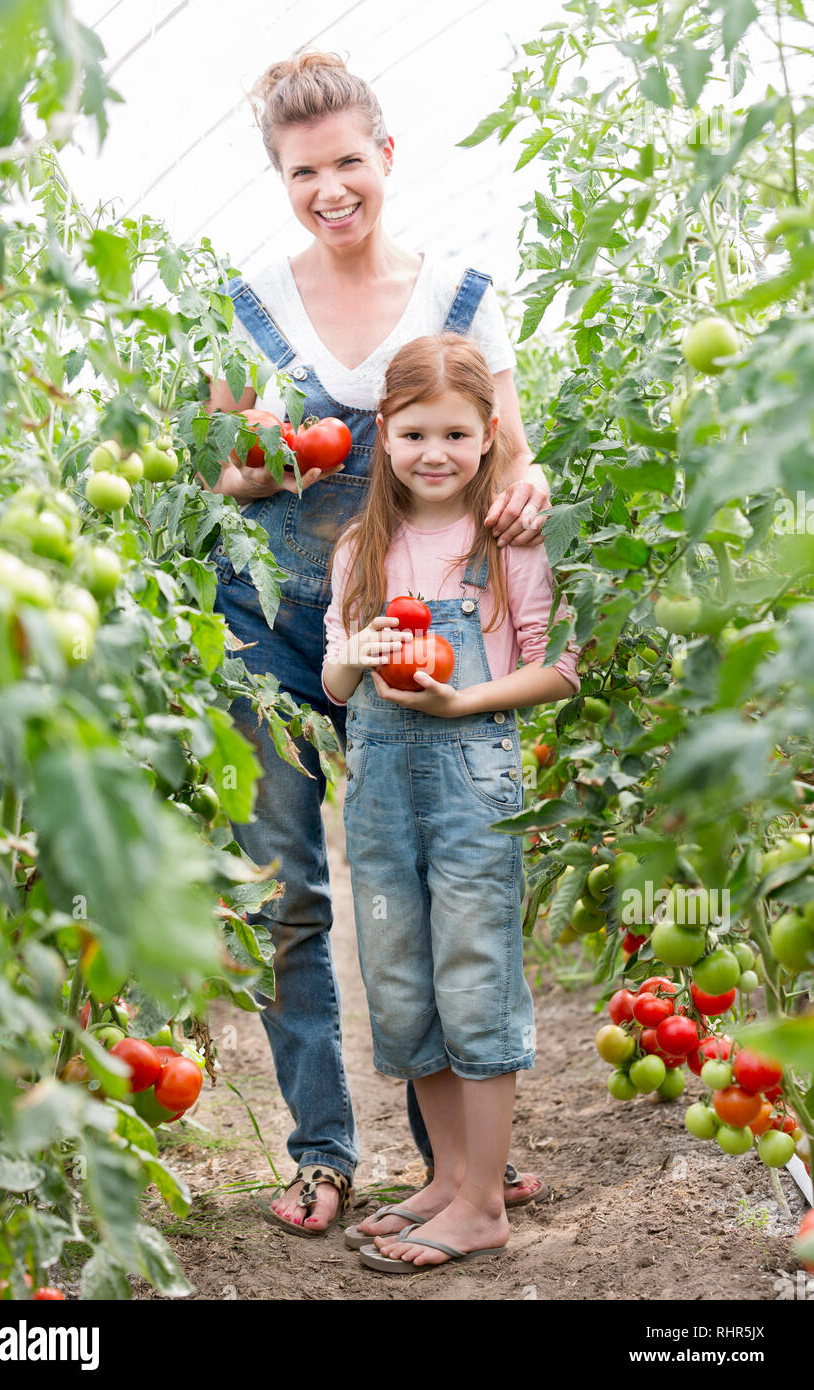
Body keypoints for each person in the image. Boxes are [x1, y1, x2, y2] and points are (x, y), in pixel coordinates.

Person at [208, 51, 553, 1236]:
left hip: (411, 627)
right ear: (282, 179)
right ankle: (319, 1150)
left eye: (348, 161)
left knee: (421, 876)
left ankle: (452, 1167)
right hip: (274, 625)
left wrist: (529, 487)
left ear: (386, 158)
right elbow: (223, 472)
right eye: (304, 171)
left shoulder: (457, 292)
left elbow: (512, 449)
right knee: (289, 893)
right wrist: (265, 460)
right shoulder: (252, 297)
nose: (329, 188)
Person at [322, 333, 579, 1269]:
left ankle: (483, 1202)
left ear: (489, 437)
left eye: (458, 436)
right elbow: (336, 682)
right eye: (415, 433)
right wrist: (364, 645)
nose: (435, 453)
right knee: (401, 982)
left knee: (473, 975)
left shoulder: (509, 539)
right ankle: (446, 1180)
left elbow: (561, 670)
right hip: (382, 787)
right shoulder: (363, 543)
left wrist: (461, 697)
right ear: (384, 434)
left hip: (475, 777)